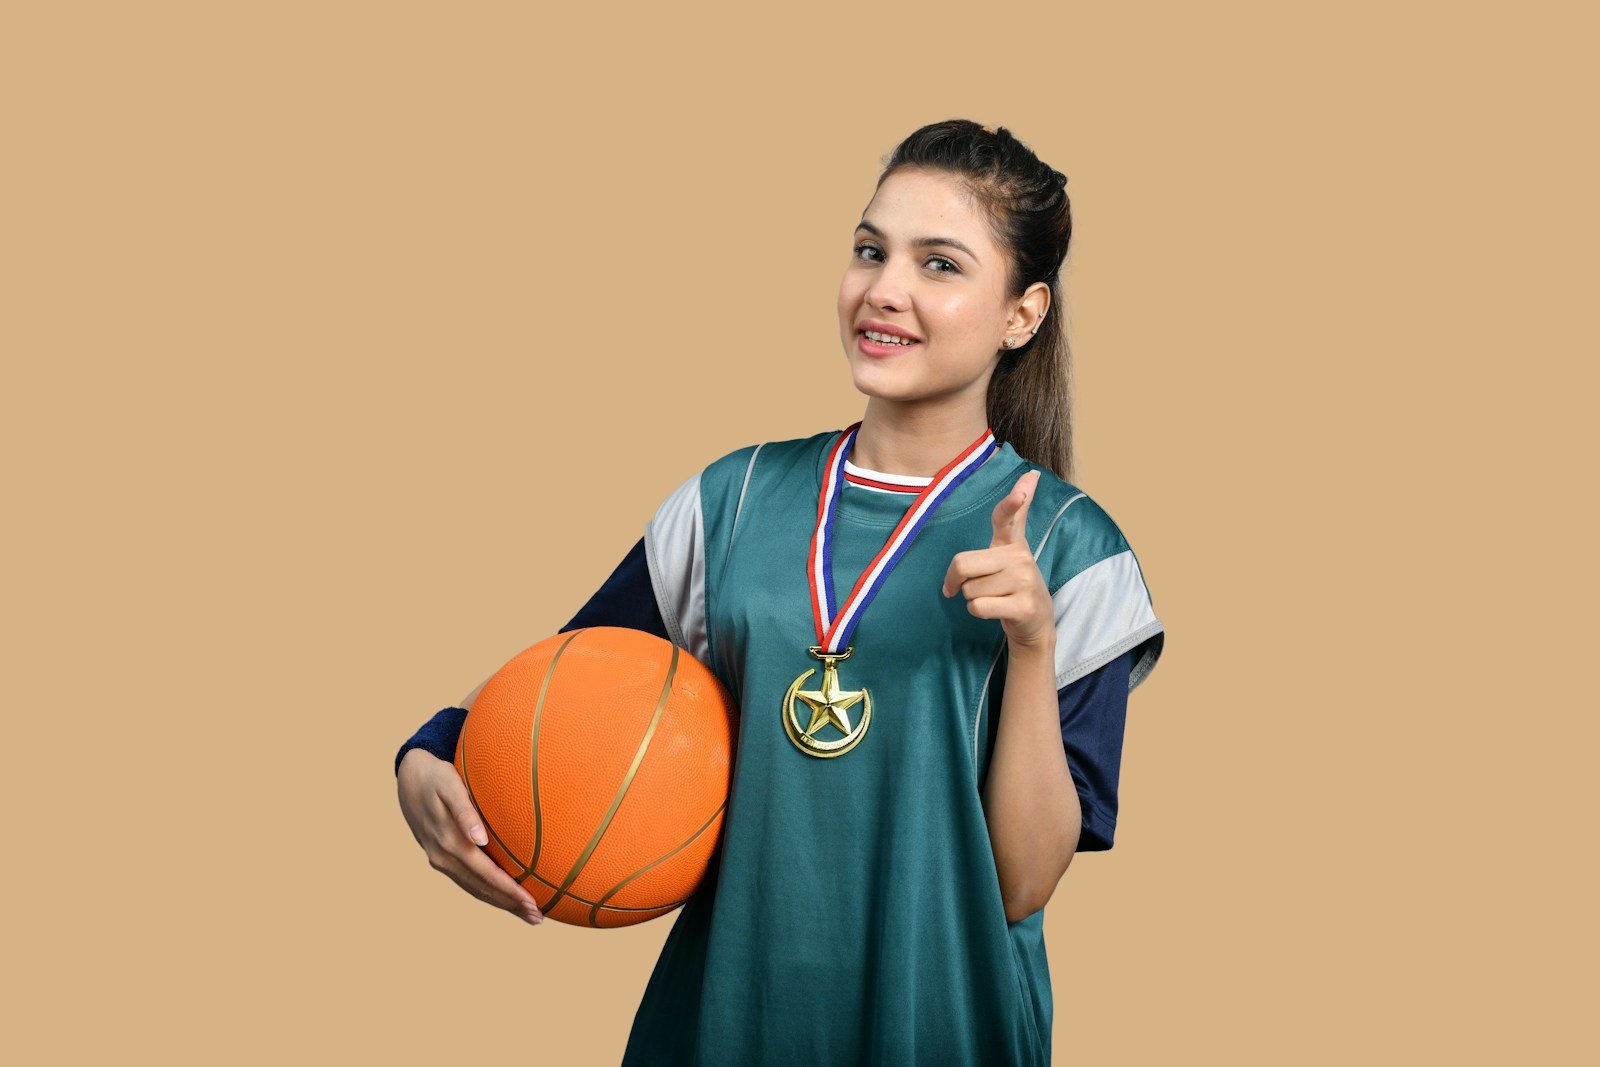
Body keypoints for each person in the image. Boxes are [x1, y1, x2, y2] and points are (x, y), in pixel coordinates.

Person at [394, 118, 1165, 1066]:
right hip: (721, 1025)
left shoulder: (1074, 550)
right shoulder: (732, 499)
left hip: (942, 1031)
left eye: (940, 265)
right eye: (870, 250)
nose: (884, 290)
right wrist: (426, 755)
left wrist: (1034, 647)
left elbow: (1019, 883)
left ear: (1023, 313)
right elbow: (560, 693)